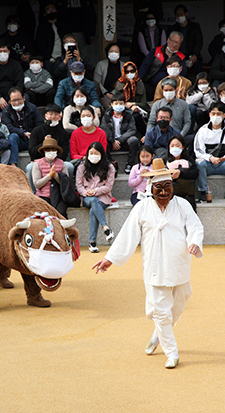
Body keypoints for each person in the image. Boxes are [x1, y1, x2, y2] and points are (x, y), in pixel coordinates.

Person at [92, 157, 204, 369]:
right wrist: (110, 259)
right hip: (154, 267)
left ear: (173, 186)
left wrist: (194, 242)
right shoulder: (141, 208)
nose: (163, 192)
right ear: (151, 188)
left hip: (179, 265)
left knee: (177, 307)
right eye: (158, 188)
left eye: (167, 187)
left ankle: (157, 336)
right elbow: (128, 236)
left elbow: (195, 227)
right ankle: (172, 353)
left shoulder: (183, 205)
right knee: (161, 312)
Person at [194, 103, 225, 201]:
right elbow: (198, 151)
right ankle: (203, 191)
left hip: (223, 164)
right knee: (199, 162)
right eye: (213, 113)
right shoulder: (202, 131)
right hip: (208, 164)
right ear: (209, 115)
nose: (216, 116)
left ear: (224, 115)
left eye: (219, 114)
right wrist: (210, 158)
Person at [76, 142, 115, 253]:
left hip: (103, 197)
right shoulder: (82, 166)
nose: (93, 155)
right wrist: (85, 192)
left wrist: (95, 191)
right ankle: (106, 228)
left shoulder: (109, 167)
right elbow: (78, 185)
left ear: (101, 154)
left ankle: (92, 243)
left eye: (96, 153)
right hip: (87, 197)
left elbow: (108, 186)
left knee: (94, 209)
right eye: (91, 153)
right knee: (93, 201)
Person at [26, 103, 73, 181]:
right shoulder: (37, 131)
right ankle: (32, 192)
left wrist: (53, 159)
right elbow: (32, 151)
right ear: (46, 116)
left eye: (56, 114)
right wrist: (44, 143)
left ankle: (66, 190)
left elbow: (64, 154)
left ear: (59, 116)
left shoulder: (63, 133)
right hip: (39, 161)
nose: (53, 117)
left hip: (57, 161)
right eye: (50, 114)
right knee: (30, 167)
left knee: (69, 166)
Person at [1, 87, 44, 167]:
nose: (17, 102)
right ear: (9, 101)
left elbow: (39, 124)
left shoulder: (32, 108)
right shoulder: (6, 111)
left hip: (32, 138)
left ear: (24, 98)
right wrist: (23, 133)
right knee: (13, 136)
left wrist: (33, 134)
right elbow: (8, 127)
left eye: (19, 99)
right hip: (19, 139)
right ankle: (13, 164)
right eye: (14, 100)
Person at [139, 31, 185, 99]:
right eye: (172, 41)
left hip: (170, 89)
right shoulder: (156, 51)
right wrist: (139, 78)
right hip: (151, 85)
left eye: (177, 43)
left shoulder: (181, 57)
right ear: (168, 40)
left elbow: (183, 74)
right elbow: (145, 65)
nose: (174, 44)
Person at [32, 137, 70, 217]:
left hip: (59, 196)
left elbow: (66, 183)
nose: (51, 152)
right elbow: (37, 184)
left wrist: (56, 176)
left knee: (61, 213)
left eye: (53, 150)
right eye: (48, 150)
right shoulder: (38, 164)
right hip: (43, 196)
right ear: (44, 151)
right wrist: (49, 176)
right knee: (44, 215)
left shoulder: (62, 163)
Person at [101, 93, 139, 170]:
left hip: (123, 141)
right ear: (111, 104)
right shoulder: (106, 116)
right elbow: (104, 130)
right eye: (116, 103)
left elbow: (132, 130)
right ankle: (110, 163)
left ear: (125, 104)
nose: (118, 105)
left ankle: (130, 164)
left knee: (134, 140)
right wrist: (112, 141)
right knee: (103, 141)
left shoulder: (129, 116)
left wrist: (120, 140)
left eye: (121, 103)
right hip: (111, 142)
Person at [0, 42, 25, 111]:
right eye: (0, 51)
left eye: (5, 51)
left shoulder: (16, 65)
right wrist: (0, 98)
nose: (2, 53)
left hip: (13, 94)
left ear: (9, 52)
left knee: (26, 97)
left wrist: (13, 97)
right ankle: (6, 112)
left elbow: (20, 82)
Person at [113, 62, 149, 136]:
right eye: (127, 71)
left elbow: (144, 104)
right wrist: (125, 106)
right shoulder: (119, 84)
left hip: (137, 111)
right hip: (122, 109)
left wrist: (134, 105)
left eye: (132, 71)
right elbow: (116, 101)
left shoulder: (139, 84)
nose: (130, 73)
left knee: (136, 117)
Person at [168, 4, 204, 74]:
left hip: (192, 54)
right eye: (177, 14)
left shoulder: (194, 27)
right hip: (178, 55)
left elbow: (199, 42)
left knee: (199, 69)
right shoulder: (172, 29)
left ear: (186, 14)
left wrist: (194, 54)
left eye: (181, 14)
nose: (179, 16)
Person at [167, 134, 198, 210]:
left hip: (186, 193)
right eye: (172, 145)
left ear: (183, 147)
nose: (175, 148)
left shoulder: (189, 161)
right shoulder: (165, 161)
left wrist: (181, 173)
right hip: (170, 193)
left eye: (178, 145)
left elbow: (195, 173)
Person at [34, 3, 67, 69]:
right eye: (48, 10)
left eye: (53, 9)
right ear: (44, 14)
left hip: (63, 57)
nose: (51, 11)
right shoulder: (42, 28)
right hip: (48, 59)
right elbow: (41, 45)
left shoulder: (63, 26)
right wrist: (50, 58)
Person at [94, 44, 124, 108]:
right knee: (110, 107)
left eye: (116, 52)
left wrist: (114, 94)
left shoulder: (124, 66)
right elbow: (97, 82)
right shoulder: (101, 65)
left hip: (119, 94)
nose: (114, 54)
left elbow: (124, 82)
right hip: (104, 95)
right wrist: (106, 94)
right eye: (111, 51)